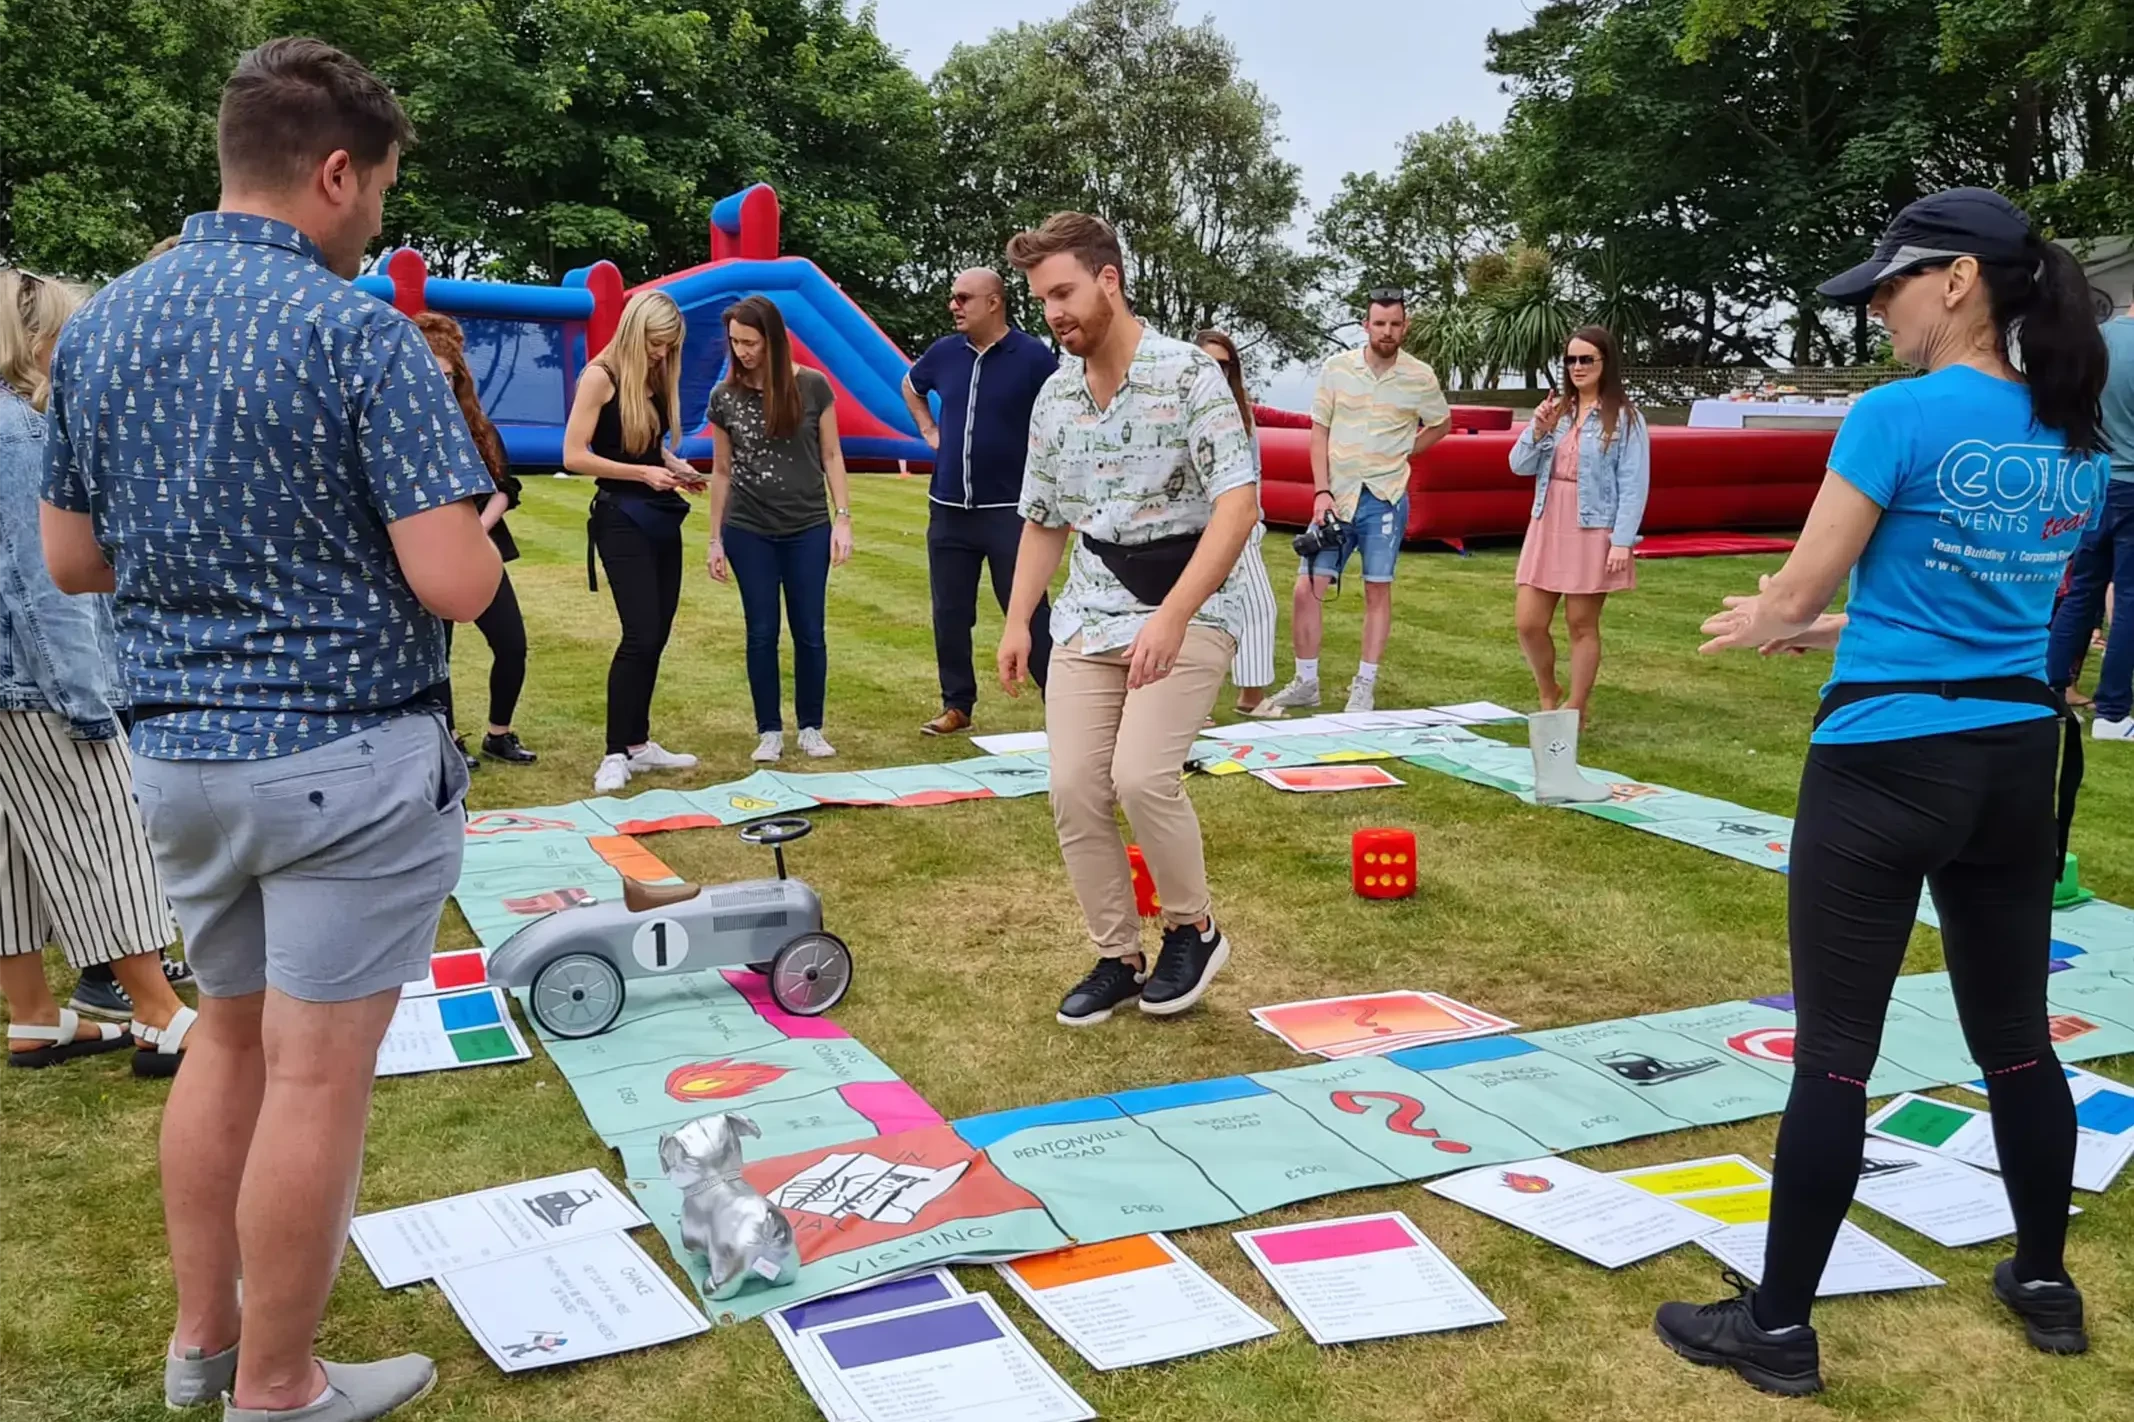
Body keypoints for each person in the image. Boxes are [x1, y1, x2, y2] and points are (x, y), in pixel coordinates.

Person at [42, 38, 503, 1421]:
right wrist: (466, 530)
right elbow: (453, 583)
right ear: (337, 170)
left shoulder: (107, 321)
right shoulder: (356, 329)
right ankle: (280, 1379)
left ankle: (204, 1343)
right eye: (379, 192)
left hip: (181, 755)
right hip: (343, 757)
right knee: (314, 1075)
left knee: (227, 1041)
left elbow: (75, 559)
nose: (377, 221)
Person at [1656, 188, 2109, 1396]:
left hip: (1884, 760)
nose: (1883, 315)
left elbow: (1798, 589)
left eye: (1892, 290)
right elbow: (1989, 617)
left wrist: (1778, 617)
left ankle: (1780, 1328)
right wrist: (1831, 633)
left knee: (1837, 1057)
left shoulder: (1893, 415)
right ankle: (2044, 1280)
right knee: (2016, 1042)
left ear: (1956, 279)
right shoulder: (2070, 432)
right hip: (2014, 758)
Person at [997, 212, 1258, 1027]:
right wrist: (1016, 621)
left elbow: (1239, 503)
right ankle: (1117, 955)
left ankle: (1194, 928)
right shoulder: (1054, 395)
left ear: (1109, 280)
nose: (1054, 313)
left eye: (1065, 292)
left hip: (1190, 602)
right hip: (1089, 612)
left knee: (1140, 777)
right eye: (1042, 300)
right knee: (1075, 787)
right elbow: (1042, 518)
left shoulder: (1187, 376)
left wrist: (1175, 617)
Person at [0, 268, 191, 1077]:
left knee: (9, 858)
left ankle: (36, 1019)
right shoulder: (19, 433)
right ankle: (159, 1011)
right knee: (106, 837)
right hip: (36, 684)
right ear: (37, 340)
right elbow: (43, 579)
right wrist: (86, 700)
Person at [1256, 288, 1450, 716]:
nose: (1387, 331)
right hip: (1336, 498)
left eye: (1395, 324)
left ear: (1405, 326)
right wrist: (1321, 490)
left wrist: (1407, 450)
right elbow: (1319, 431)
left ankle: (1364, 686)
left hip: (1386, 498)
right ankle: (1306, 682)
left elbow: (1442, 423)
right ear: (1366, 325)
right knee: (1308, 588)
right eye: (1379, 323)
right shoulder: (1337, 369)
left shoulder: (1420, 376)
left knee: (1377, 590)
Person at [903, 268, 1058, 736]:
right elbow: (911, 385)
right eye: (952, 297)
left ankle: (1063, 700)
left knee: (1028, 609)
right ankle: (956, 704)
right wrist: (929, 430)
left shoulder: (1032, 357)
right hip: (948, 508)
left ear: (994, 302)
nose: (954, 305)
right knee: (949, 611)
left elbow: (1062, 408)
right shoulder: (944, 353)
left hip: (1009, 512)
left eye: (963, 297)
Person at [564, 289, 703, 793]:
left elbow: (649, 444)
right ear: (633, 331)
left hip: (659, 514)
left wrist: (671, 465)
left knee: (658, 633)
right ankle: (614, 752)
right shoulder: (600, 377)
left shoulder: (654, 379)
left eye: (668, 346)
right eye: (655, 343)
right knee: (640, 634)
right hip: (620, 517)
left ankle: (640, 743)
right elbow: (574, 455)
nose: (662, 354)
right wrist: (642, 473)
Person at [705, 295, 852, 762]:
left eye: (750, 342)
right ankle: (769, 729)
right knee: (761, 631)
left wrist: (842, 519)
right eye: (735, 342)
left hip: (808, 525)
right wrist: (715, 539)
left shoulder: (813, 387)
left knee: (810, 630)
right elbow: (722, 470)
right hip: (749, 530)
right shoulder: (724, 397)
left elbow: (831, 456)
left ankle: (811, 726)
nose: (743, 351)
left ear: (772, 340)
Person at [1507, 326, 1650, 725]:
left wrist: (1622, 541)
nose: (1578, 367)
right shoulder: (1557, 411)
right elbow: (1518, 466)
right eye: (1571, 359)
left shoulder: (1625, 418)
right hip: (1547, 521)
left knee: (1581, 623)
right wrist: (1537, 430)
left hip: (1593, 528)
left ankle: (1577, 705)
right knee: (1528, 622)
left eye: (1587, 359)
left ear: (1606, 363)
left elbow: (1633, 483)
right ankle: (1548, 690)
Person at [412, 312, 536, 769]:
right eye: (432, 373)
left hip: (479, 548)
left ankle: (499, 734)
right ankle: (447, 739)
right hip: (426, 554)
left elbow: (505, 487)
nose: (441, 384)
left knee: (512, 644)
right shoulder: (402, 427)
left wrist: (474, 532)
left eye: (449, 375)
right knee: (435, 654)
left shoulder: (477, 425)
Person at [2046, 292, 2134, 738]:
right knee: (2130, 600)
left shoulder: (2094, 343)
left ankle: (2049, 691)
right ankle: (2114, 713)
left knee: (2082, 592)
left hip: (2092, 482)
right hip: (2132, 486)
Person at [1194, 329, 1278, 714]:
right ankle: (1192, 705)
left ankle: (1251, 697)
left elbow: (1254, 472)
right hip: (1192, 528)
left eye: (1225, 366)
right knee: (1194, 614)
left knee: (1259, 605)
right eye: (1210, 363)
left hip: (1238, 525)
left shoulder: (1242, 413)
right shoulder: (1180, 406)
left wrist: (1253, 522)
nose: (1218, 372)